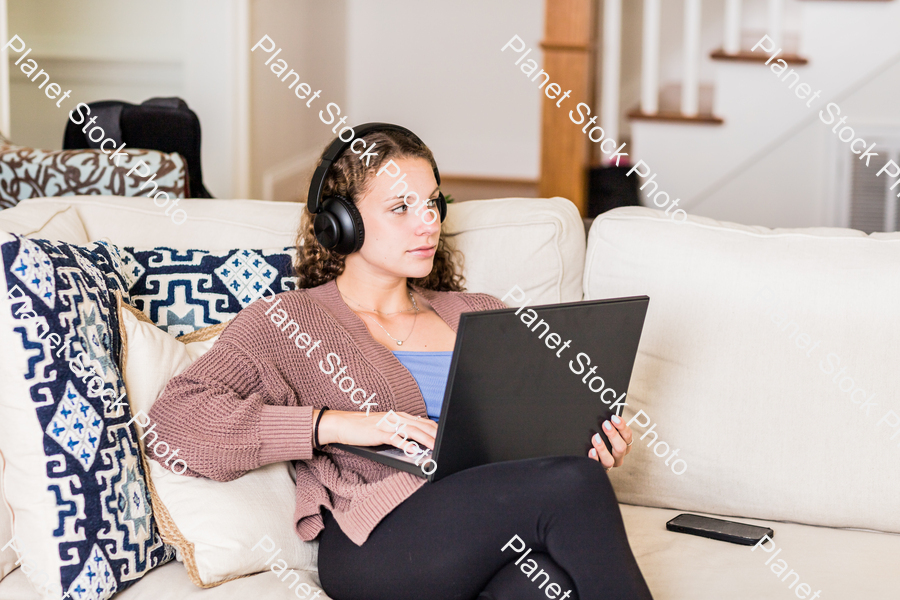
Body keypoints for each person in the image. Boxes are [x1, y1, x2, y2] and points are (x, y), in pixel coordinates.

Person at [147, 125, 653, 600]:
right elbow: (174, 424)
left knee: (547, 584)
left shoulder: (481, 312)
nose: (427, 220)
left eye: (432, 203)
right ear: (341, 223)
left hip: (485, 530)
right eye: (401, 207)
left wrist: (584, 444)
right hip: (379, 541)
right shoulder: (288, 321)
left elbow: (525, 445)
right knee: (572, 484)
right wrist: (337, 424)